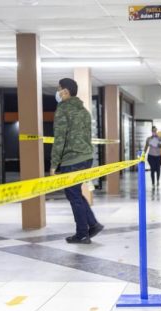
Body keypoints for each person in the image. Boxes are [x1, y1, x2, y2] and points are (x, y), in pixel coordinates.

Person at [50, 78, 103, 244]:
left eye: (58, 89)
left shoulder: (63, 110)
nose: (57, 92)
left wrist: (53, 164)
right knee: (76, 194)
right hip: (86, 158)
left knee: (73, 196)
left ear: (65, 91)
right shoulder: (84, 111)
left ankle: (82, 233)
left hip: (72, 159)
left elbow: (59, 139)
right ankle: (92, 225)